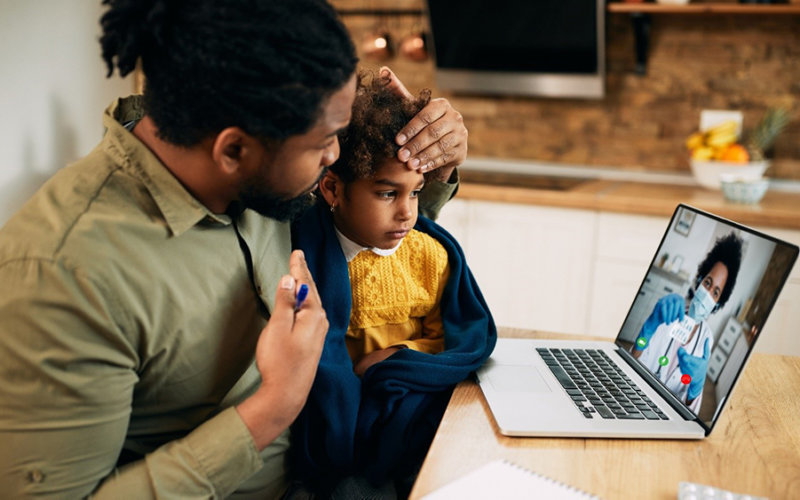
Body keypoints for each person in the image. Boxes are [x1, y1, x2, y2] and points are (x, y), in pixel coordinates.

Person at [0, 1, 469, 498]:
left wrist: (427, 163)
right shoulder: (61, 276)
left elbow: (361, 226)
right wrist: (273, 407)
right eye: (325, 142)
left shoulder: (265, 169)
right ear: (232, 151)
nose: (334, 157)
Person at [289, 73, 496, 497]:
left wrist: (399, 357)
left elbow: (452, 337)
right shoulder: (301, 257)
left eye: (417, 192)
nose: (407, 213)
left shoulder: (427, 256)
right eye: (387, 194)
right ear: (332, 189)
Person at [632, 233, 743, 412]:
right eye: (708, 282)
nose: (708, 294)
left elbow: (688, 410)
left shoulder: (706, 340)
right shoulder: (668, 312)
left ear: (718, 304)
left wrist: (695, 389)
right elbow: (635, 360)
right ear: (699, 281)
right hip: (636, 395)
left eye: (715, 293)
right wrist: (649, 328)